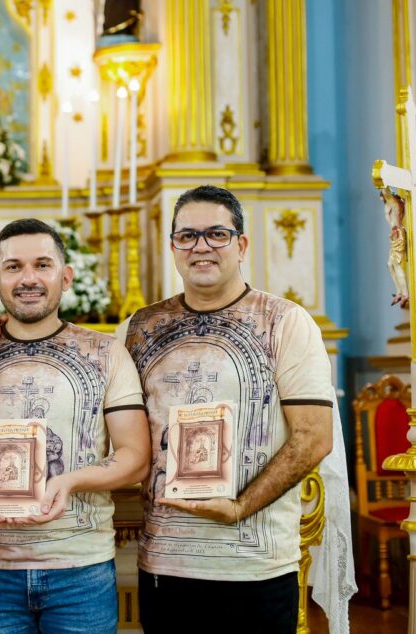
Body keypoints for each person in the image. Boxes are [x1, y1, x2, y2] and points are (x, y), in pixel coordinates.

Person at [119, 185, 334, 634]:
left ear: (242, 244)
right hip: (166, 561)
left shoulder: (285, 321)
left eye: (217, 233)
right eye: (187, 236)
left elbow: (314, 436)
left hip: (254, 564)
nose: (201, 246)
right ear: (173, 246)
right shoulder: (139, 328)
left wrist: (239, 507)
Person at [0, 219, 150, 634]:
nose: (28, 278)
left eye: (42, 265)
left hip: (80, 569)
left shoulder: (107, 353)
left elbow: (135, 456)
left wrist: (67, 483)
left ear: (65, 276)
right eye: (13, 267)